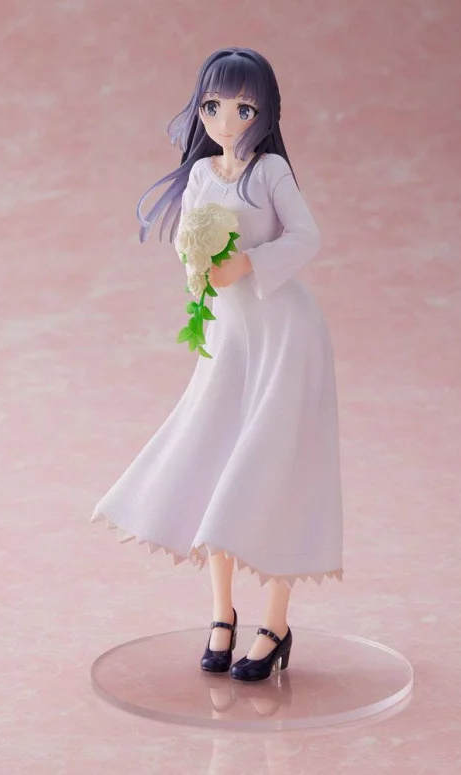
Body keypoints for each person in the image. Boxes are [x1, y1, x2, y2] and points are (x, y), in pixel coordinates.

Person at [91, 47, 343, 681]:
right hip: (229, 335)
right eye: (212, 106)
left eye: (243, 108)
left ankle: (276, 623)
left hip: (284, 335)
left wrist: (250, 263)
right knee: (214, 462)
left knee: (276, 470)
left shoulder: (270, 172)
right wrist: (197, 268)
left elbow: (307, 235)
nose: (226, 121)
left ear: (266, 113)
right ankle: (221, 614)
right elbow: (189, 240)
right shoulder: (203, 174)